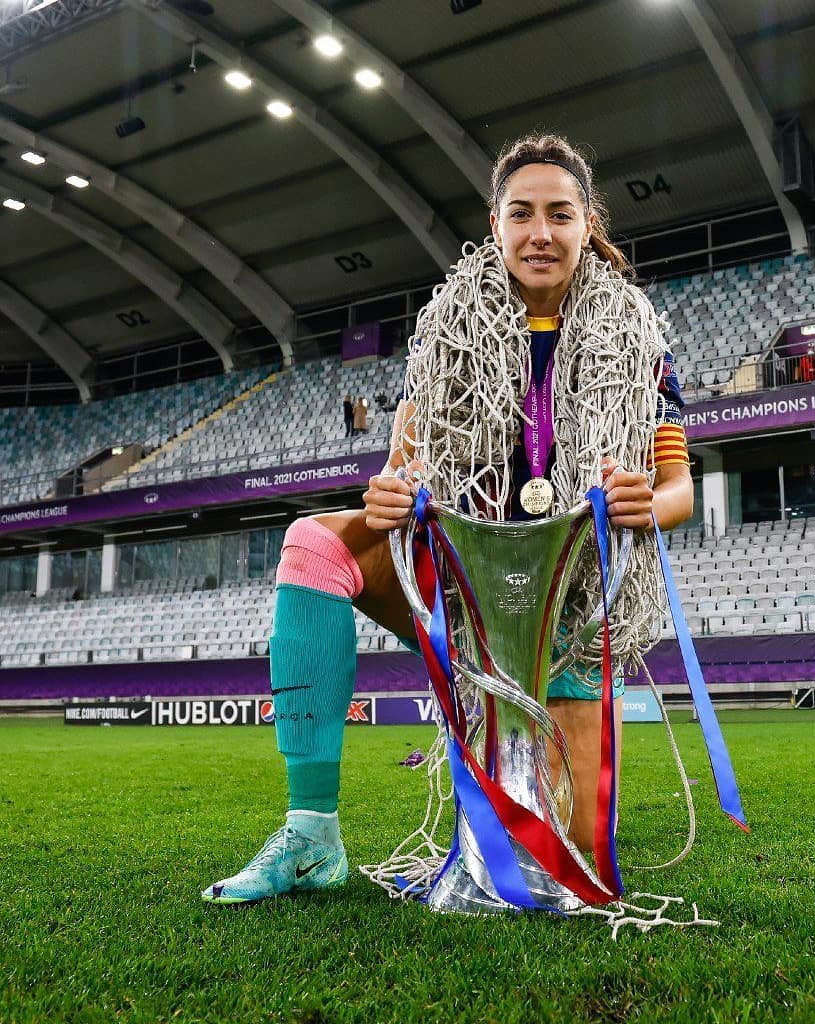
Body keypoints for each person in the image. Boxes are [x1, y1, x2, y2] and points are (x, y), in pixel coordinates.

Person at [201, 133, 693, 905]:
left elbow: (678, 489)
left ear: (587, 223)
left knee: (566, 850)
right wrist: (391, 495)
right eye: (520, 213)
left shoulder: (642, 341)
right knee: (311, 546)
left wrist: (644, 503)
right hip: (461, 587)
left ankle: (532, 721)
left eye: (559, 214)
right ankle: (311, 833)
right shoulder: (445, 333)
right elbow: (399, 474)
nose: (539, 232)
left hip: (567, 608)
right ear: (493, 224)